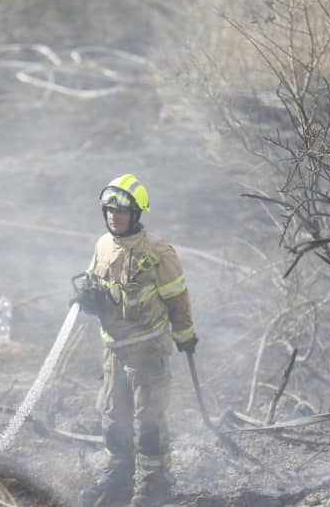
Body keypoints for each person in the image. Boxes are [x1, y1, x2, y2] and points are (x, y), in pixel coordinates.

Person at [73, 174, 198, 507]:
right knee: (114, 419)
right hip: (114, 351)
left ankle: (154, 484)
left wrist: (185, 334)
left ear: (137, 214)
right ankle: (119, 474)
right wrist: (88, 299)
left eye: (122, 211)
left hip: (148, 354)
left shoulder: (158, 252)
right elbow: (95, 286)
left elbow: (177, 297)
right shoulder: (102, 245)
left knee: (148, 424)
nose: (115, 216)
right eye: (110, 210)